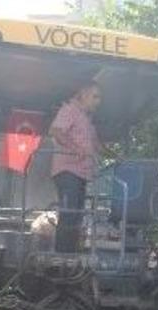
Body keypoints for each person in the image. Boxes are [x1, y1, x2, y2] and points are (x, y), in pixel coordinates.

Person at [49, 81, 102, 253]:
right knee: (69, 214)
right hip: (67, 171)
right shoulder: (70, 110)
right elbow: (56, 131)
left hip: (82, 174)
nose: (98, 101)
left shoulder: (87, 119)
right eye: (95, 96)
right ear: (83, 94)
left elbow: (96, 144)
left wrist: (117, 157)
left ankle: (71, 253)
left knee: (77, 216)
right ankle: (62, 255)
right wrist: (76, 149)